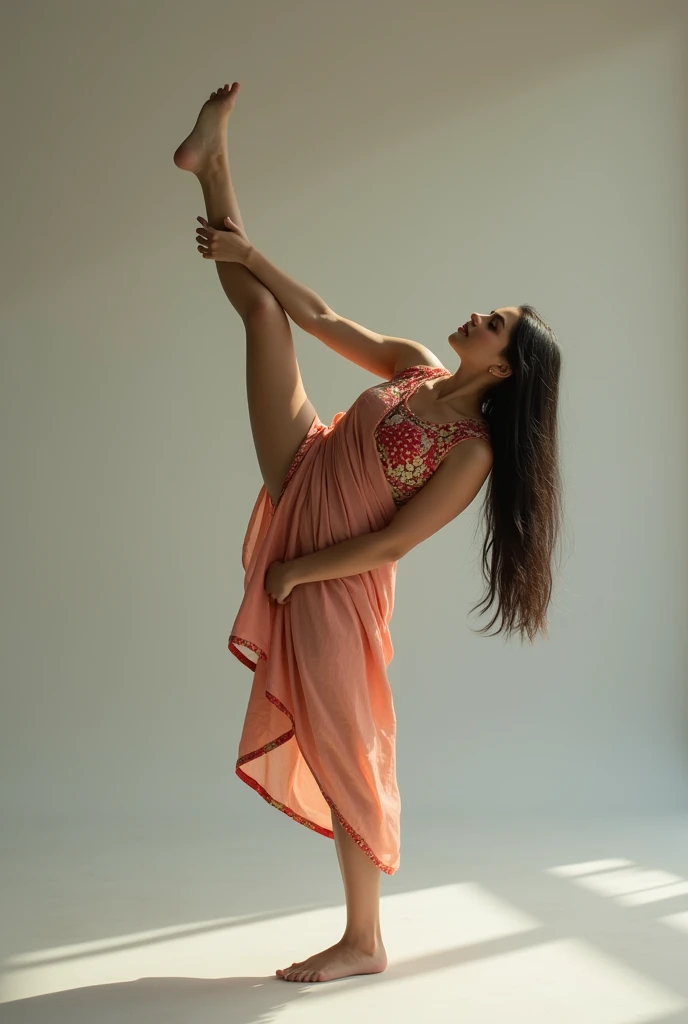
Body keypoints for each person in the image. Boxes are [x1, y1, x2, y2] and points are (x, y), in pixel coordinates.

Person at [174, 82, 563, 984]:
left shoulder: (470, 453)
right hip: (307, 462)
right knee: (265, 309)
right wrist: (250, 251)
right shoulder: (415, 369)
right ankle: (213, 164)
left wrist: (298, 573)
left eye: (493, 323)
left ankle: (364, 940)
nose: (476, 314)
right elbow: (322, 319)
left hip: (337, 576)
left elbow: (389, 547)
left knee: (347, 745)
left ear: (504, 367)